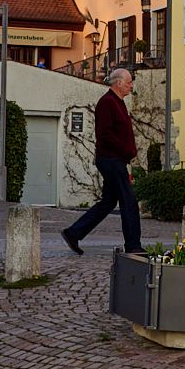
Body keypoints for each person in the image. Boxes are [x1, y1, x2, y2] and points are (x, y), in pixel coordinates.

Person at [62, 67, 142, 255]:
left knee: (108, 202)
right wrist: (126, 151)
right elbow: (105, 135)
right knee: (129, 202)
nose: (131, 86)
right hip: (111, 160)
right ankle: (133, 245)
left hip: (114, 160)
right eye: (129, 82)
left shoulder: (118, 103)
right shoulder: (107, 103)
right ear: (118, 82)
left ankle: (74, 233)